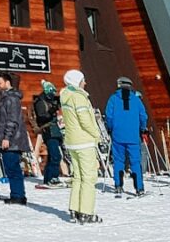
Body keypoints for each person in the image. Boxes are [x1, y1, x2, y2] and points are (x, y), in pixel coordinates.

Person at [60, 69, 101, 224]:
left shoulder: (65, 96)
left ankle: (74, 209)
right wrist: (96, 134)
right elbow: (85, 120)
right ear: (77, 81)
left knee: (78, 177)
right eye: (83, 80)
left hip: (72, 141)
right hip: (84, 141)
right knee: (89, 177)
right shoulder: (79, 97)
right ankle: (86, 212)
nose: (85, 82)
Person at [104, 76, 147, 195]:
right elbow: (143, 116)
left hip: (118, 135)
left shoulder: (113, 99)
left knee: (118, 161)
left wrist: (110, 128)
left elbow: (109, 116)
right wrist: (142, 128)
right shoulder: (136, 100)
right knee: (135, 162)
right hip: (133, 136)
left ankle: (118, 185)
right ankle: (139, 188)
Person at [0, 71, 29, 205]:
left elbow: (12, 120)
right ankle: (16, 194)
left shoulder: (11, 99)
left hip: (13, 140)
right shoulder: (5, 97)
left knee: (13, 167)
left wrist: (6, 137)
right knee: (10, 168)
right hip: (9, 139)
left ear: (7, 82)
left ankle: (18, 195)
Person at [33, 79, 64, 187]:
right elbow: (42, 116)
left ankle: (48, 178)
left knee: (52, 156)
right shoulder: (41, 101)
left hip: (54, 130)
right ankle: (53, 177)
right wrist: (51, 111)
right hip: (48, 130)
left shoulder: (49, 100)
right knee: (56, 156)